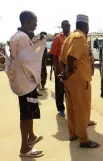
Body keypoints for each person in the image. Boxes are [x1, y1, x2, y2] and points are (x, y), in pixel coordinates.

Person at [59, 14, 100, 148]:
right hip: (79, 80)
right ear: (85, 26)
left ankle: (73, 134)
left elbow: (61, 59)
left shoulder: (69, 37)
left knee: (71, 108)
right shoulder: (79, 37)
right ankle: (83, 139)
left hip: (71, 81)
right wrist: (69, 71)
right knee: (82, 109)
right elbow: (71, 56)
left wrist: (65, 72)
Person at [7, 11, 44, 158]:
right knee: (27, 114)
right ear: (28, 21)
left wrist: (36, 41)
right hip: (26, 82)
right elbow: (28, 60)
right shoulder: (22, 38)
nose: (36, 24)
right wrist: (35, 77)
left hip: (23, 81)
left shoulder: (16, 36)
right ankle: (24, 148)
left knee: (31, 110)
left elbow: (24, 53)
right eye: (35, 21)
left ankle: (31, 136)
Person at [49, 20, 70, 117]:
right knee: (60, 90)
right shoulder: (58, 38)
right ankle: (61, 108)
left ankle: (70, 108)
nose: (68, 27)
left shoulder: (71, 37)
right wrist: (56, 69)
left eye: (69, 25)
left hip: (70, 69)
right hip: (60, 69)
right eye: (66, 25)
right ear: (62, 27)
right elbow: (53, 55)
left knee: (69, 90)